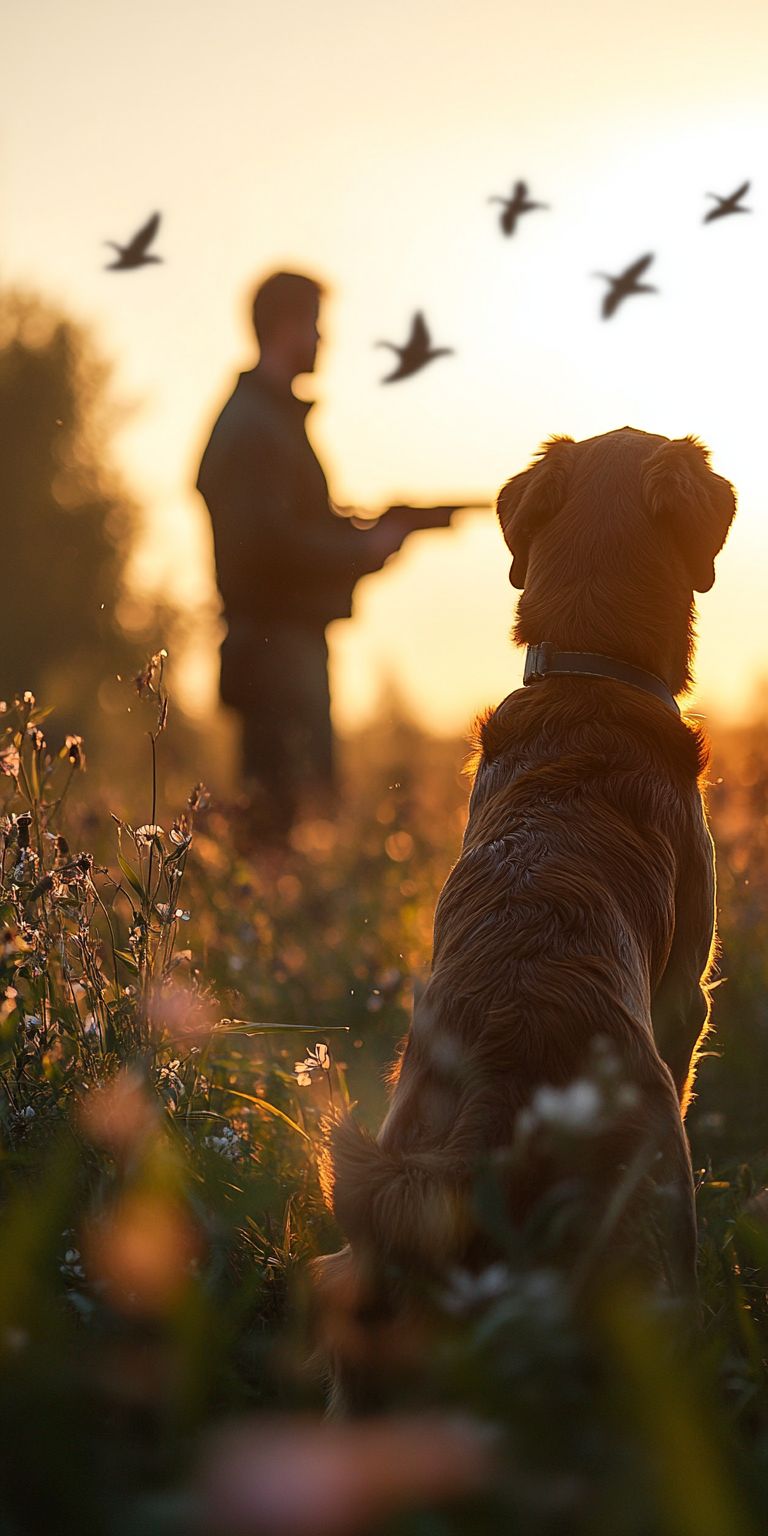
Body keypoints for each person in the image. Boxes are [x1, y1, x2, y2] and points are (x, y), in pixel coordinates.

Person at [196, 271, 405, 835]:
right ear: (284, 327)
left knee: (292, 824)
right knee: (279, 828)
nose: (323, 339)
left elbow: (290, 527)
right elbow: (265, 545)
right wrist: (362, 549)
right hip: (273, 655)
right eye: (314, 324)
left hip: (283, 650)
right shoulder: (253, 426)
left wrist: (356, 538)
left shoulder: (266, 421)